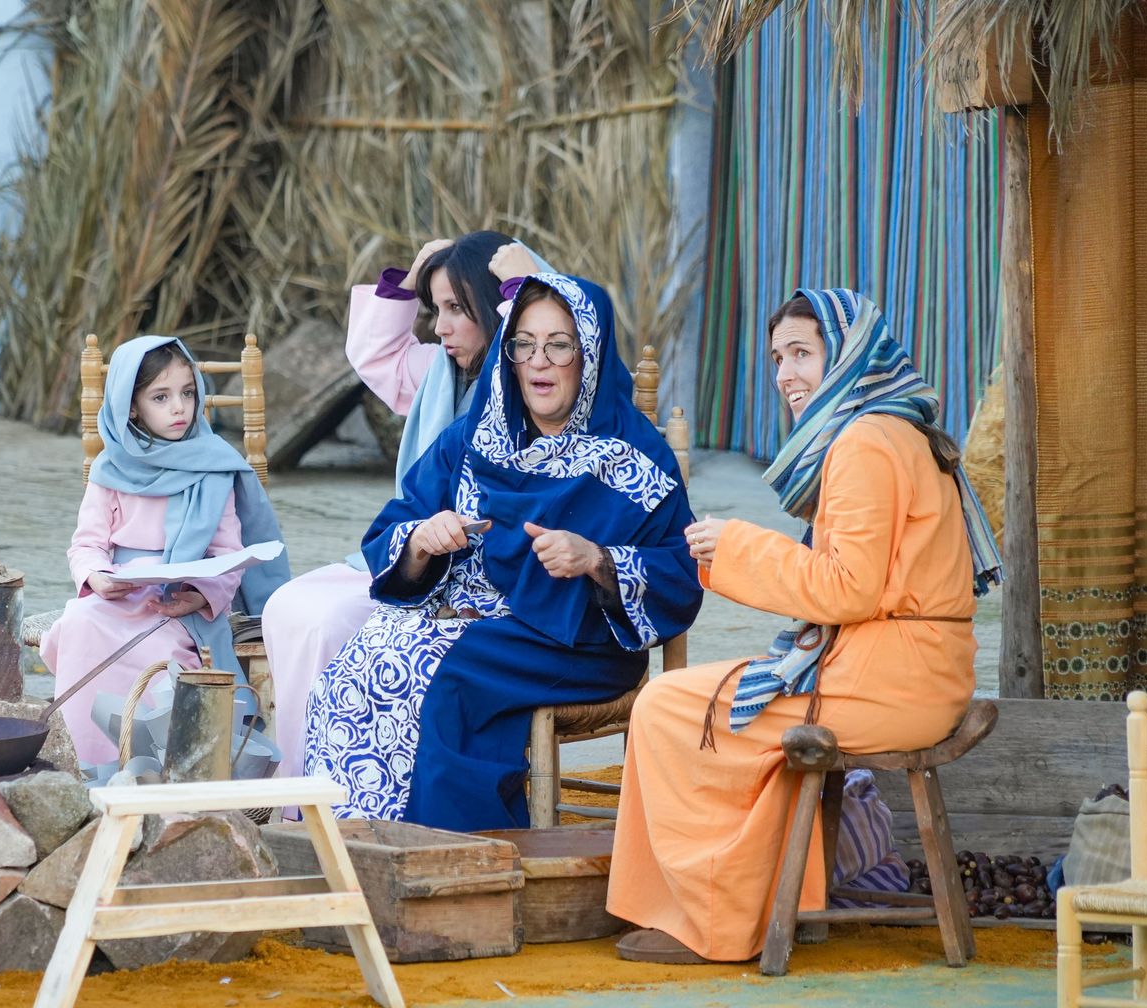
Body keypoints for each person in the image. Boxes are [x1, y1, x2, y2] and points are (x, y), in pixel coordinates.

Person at [606, 287, 1002, 964]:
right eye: (776, 357)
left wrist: (736, 545)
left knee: (667, 704)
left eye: (802, 353)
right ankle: (738, 904)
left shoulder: (864, 443)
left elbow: (847, 587)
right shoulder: (890, 429)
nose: (785, 373)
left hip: (892, 680)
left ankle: (714, 918)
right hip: (914, 672)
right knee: (704, 702)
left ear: (846, 354)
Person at [302, 273, 703, 832]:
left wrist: (598, 559)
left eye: (559, 344)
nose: (539, 361)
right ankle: (348, 845)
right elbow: (394, 527)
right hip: (474, 624)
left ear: (589, 353)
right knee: (357, 662)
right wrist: (422, 539)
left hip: (574, 644)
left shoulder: (635, 457)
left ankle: (444, 853)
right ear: (508, 353)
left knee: (437, 673)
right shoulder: (473, 438)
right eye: (524, 344)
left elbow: (681, 575)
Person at [261, 232, 543, 780]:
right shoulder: (441, 374)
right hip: (415, 556)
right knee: (287, 605)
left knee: (326, 621)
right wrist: (416, 276)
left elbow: (560, 348)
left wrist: (525, 285)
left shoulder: (536, 385)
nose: (440, 326)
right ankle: (303, 789)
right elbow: (373, 353)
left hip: (481, 578)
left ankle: (334, 791)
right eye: (436, 310)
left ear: (498, 306)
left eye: (459, 309)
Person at [39, 336, 290, 767]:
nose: (179, 407)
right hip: (117, 596)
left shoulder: (214, 467)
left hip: (176, 605)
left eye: (188, 393)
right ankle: (85, 764)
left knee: (162, 658)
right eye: (161, 396)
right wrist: (97, 576)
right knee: (80, 622)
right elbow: (87, 544)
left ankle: (152, 769)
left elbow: (229, 555)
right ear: (131, 406)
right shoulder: (110, 468)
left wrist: (199, 593)